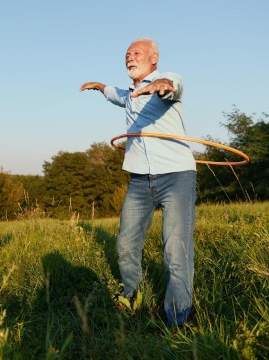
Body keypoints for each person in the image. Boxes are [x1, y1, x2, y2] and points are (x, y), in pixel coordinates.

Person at [80, 37, 196, 328]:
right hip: (139, 179)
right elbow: (118, 94)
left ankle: (178, 317)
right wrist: (99, 87)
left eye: (136, 53)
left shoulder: (167, 82)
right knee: (125, 244)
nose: (129, 57)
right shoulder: (131, 93)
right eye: (127, 54)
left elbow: (174, 85)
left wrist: (164, 85)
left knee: (175, 249)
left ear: (154, 57)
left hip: (176, 175)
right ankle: (131, 294)